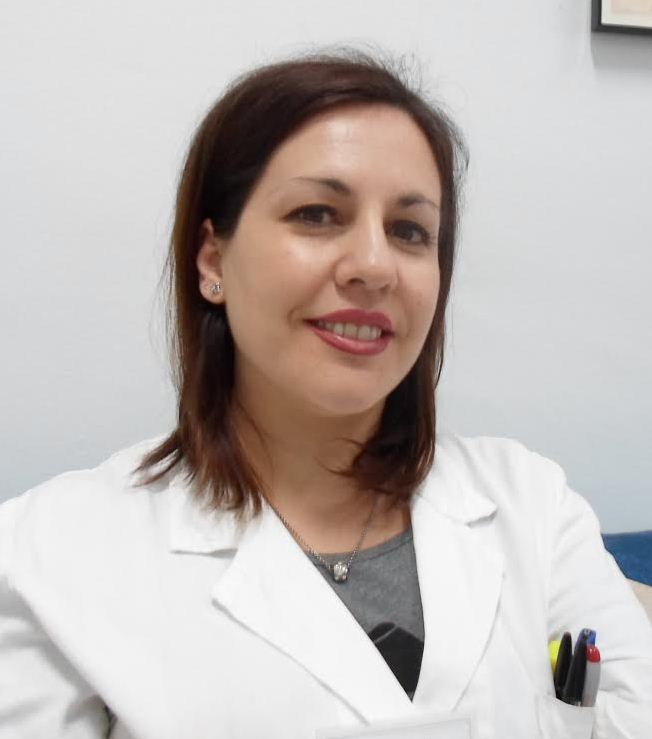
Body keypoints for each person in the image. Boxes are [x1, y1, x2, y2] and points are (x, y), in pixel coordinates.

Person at [0, 50, 651, 739]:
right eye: (317, 214)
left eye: (409, 231)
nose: (373, 266)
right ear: (213, 259)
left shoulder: (534, 507)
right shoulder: (50, 555)